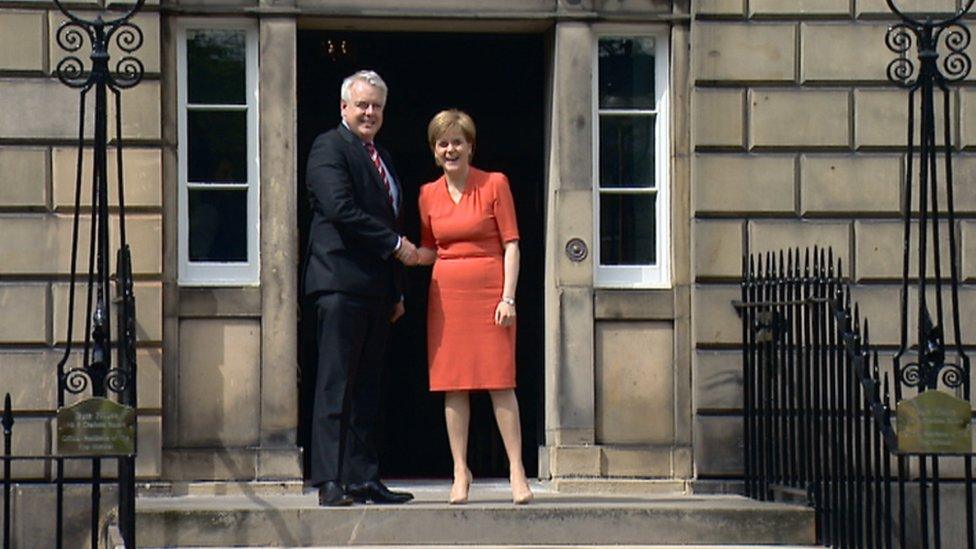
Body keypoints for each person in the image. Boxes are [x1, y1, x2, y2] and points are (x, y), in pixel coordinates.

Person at [304, 70, 418, 506]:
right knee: (336, 385)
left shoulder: (382, 155)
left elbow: (391, 218)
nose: (369, 112)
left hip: (376, 291)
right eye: (362, 105)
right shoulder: (328, 147)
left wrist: (397, 291)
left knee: (368, 387)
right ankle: (330, 481)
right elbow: (340, 208)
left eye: (377, 106)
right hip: (338, 283)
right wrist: (397, 248)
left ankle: (363, 477)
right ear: (344, 108)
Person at [412, 109, 533, 505]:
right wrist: (403, 254)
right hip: (447, 297)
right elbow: (431, 248)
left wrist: (508, 297)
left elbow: (511, 242)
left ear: (470, 146)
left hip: (490, 293)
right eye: (443, 143)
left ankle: (516, 470)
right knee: (454, 384)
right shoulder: (427, 194)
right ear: (434, 151)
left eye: (457, 141)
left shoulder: (495, 183)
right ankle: (459, 470)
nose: (451, 149)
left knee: (501, 382)